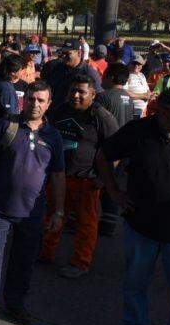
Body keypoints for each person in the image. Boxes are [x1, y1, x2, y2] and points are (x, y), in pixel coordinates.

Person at [0, 80, 66, 325]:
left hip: (32, 212)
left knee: (23, 263)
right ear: (25, 100)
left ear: (48, 104)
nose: (35, 104)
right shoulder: (7, 125)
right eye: (32, 98)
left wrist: (58, 210)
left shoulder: (53, 136)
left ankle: (15, 304)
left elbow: (57, 175)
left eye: (41, 100)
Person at [95, 87, 170, 325]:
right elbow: (104, 155)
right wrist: (113, 191)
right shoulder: (138, 131)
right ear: (164, 113)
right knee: (136, 283)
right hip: (141, 227)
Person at [40, 75, 119, 278]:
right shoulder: (61, 109)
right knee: (53, 215)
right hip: (59, 176)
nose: (75, 95)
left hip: (87, 180)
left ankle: (80, 263)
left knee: (86, 223)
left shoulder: (101, 116)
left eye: (81, 92)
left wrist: (104, 178)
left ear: (93, 94)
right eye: (73, 90)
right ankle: (45, 253)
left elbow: (116, 150)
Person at [95, 62, 134, 237]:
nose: (101, 79)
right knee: (115, 183)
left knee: (101, 183)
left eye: (104, 75)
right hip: (125, 148)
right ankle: (109, 222)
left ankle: (77, 220)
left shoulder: (103, 97)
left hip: (108, 147)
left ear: (110, 77)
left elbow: (96, 121)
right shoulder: (128, 97)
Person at [44, 39, 104, 109]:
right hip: (55, 113)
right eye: (63, 53)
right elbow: (48, 88)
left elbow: (99, 99)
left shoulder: (89, 73)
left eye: (68, 53)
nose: (64, 56)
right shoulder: (58, 68)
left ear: (79, 53)